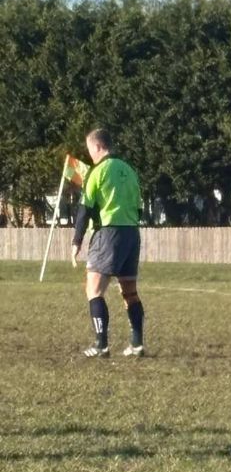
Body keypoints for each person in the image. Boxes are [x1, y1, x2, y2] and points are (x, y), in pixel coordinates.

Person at [71, 128, 145, 358]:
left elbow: (85, 208)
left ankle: (101, 344)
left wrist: (77, 241)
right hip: (132, 234)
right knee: (130, 292)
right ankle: (137, 344)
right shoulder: (129, 171)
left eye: (89, 149)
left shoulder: (98, 171)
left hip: (109, 233)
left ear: (97, 147)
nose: (89, 154)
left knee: (93, 289)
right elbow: (140, 207)